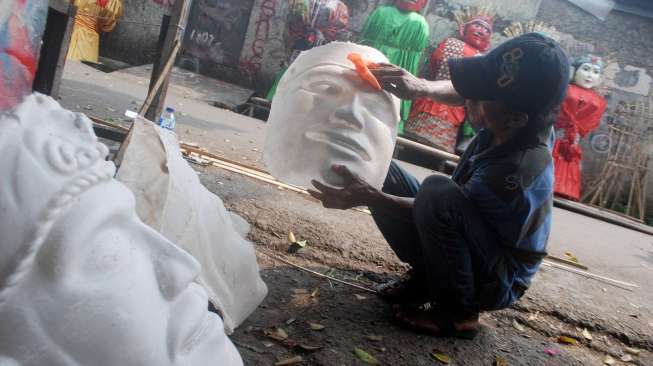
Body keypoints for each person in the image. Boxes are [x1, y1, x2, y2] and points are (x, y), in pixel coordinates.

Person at [308, 33, 569, 338]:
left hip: (495, 277)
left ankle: (459, 311)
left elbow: (434, 210)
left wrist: (372, 198)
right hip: (468, 238)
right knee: (383, 170)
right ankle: (428, 279)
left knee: (435, 194)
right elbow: (464, 92)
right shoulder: (520, 117)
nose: (468, 97)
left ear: (515, 118)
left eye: (479, 93)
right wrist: (420, 87)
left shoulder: (518, 167)